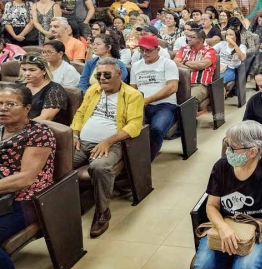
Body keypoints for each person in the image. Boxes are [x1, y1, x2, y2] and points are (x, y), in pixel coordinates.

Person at [192, 120, 262, 269]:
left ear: (252, 151)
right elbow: (211, 206)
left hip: (261, 228)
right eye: (227, 144)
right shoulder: (221, 167)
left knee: (245, 267)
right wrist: (222, 227)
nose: (227, 150)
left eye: (233, 147)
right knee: (204, 266)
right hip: (228, 221)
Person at [71, 57, 143, 237]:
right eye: (98, 75)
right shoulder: (93, 90)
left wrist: (108, 141)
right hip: (82, 142)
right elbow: (80, 114)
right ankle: (65, 207)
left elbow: (134, 125)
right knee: (57, 162)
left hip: (113, 143)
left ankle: (102, 212)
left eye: (106, 74)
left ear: (119, 74)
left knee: (99, 167)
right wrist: (74, 134)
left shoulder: (133, 95)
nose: (101, 78)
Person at [0, 84, 57, 269]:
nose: (2, 109)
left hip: (23, 200)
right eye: (0, 104)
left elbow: (25, 179)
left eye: (10, 104)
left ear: (27, 108)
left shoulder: (39, 133)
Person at [130, 35, 179, 161]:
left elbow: (172, 87)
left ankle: (145, 161)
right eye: (141, 50)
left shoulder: (167, 64)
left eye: (148, 50)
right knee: (128, 127)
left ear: (157, 49)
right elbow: (133, 89)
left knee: (157, 128)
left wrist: (148, 99)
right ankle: (131, 159)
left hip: (165, 105)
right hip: (141, 105)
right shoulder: (136, 66)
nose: (144, 53)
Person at [173, 29, 216, 116]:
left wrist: (184, 62)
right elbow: (175, 62)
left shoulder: (209, 50)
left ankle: (190, 125)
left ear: (200, 40)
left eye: (192, 37)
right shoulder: (183, 49)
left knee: (190, 99)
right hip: (181, 83)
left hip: (200, 85)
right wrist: (191, 67)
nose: (188, 39)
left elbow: (202, 65)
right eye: (188, 36)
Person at [19, 53, 69, 125]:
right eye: (24, 69)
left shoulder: (55, 90)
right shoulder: (19, 86)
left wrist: (18, 126)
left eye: (32, 70)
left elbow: (44, 118)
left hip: (42, 130)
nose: (27, 73)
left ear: (44, 71)